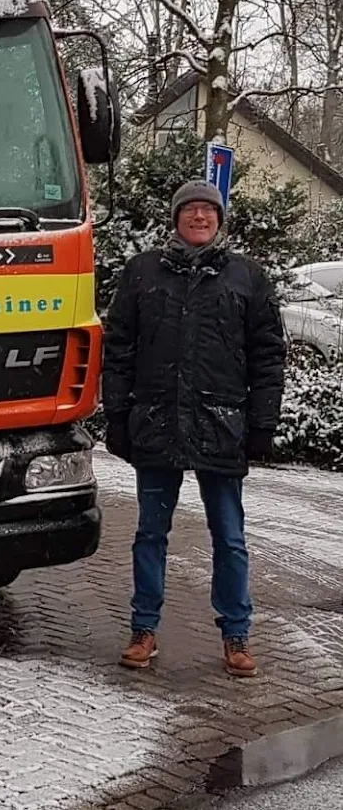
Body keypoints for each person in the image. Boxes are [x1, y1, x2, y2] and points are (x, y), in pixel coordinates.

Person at [102, 179, 286, 678]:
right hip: (158, 425)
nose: (199, 218)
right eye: (191, 211)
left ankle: (237, 635)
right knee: (149, 534)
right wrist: (116, 416)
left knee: (229, 537)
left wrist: (261, 424)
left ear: (219, 219)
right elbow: (118, 348)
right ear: (176, 218)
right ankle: (143, 630)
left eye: (208, 210)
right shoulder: (143, 274)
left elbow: (268, 356)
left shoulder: (247, 278)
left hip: (221, 427)